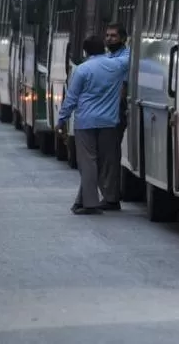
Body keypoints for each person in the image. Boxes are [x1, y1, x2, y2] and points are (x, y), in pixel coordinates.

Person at [56, 35, 130, 215]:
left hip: (85, 123)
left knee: (88, 163)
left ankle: (90, 204)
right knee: (106, 163)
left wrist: (61, 119)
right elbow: (131, 56)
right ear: (103, 48)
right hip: (109, 123)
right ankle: (90, 200)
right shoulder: (117, 66)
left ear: (85, 51)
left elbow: (72, 98)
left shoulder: (82, 70)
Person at [100, 22, 130, 206]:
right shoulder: (109, 56)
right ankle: (109, 194)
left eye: (114, 36)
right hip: (107, 110)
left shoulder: (124, 58)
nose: (109, 39)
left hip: (115, 110)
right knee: (105, 154)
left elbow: (122, 89)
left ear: (123, 39)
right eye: (108, 36)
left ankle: (111, 198)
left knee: (110, 154)